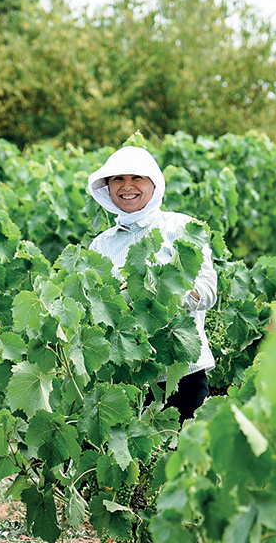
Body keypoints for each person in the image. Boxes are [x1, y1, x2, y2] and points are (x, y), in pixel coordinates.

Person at [87, 146, 216, 423]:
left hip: (184, 371)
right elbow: (95, 308)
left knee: (187, 457)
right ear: (107, 188)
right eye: (118, 179)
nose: (127, 187)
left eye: (137, 178)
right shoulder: (100, 245)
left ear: (154, 183)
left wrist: (158, 289)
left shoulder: (183, 228)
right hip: (126, 375)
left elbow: (207, 291)